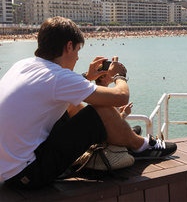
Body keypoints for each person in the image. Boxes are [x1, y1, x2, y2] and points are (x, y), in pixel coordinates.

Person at [0, 16, 176, 189]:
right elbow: (121, 96)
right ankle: (141, 146)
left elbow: (54, 89)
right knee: (97, 110)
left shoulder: (23, 65)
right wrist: (119, 75)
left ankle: (120, 134)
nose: (77, 58)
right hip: (27, 175)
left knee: (72, 103)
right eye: (77, 50)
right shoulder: (57, 77)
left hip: (9, 169)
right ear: (69, 46)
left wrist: (87, 77)